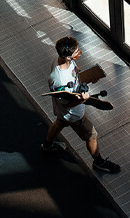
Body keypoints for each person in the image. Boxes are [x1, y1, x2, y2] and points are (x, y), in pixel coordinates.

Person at [41, 36, 120, 174]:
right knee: (91, 135)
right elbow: (67, 104)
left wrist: (88, 77)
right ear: (68, 57)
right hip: (74, 114)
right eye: (76, 52)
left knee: (60, 122)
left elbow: (74, 71)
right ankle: (99, 162)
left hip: (62, 112)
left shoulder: (59, 57)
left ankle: (47, 146)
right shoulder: (59, 80)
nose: (79, 53)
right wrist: (83, 100)